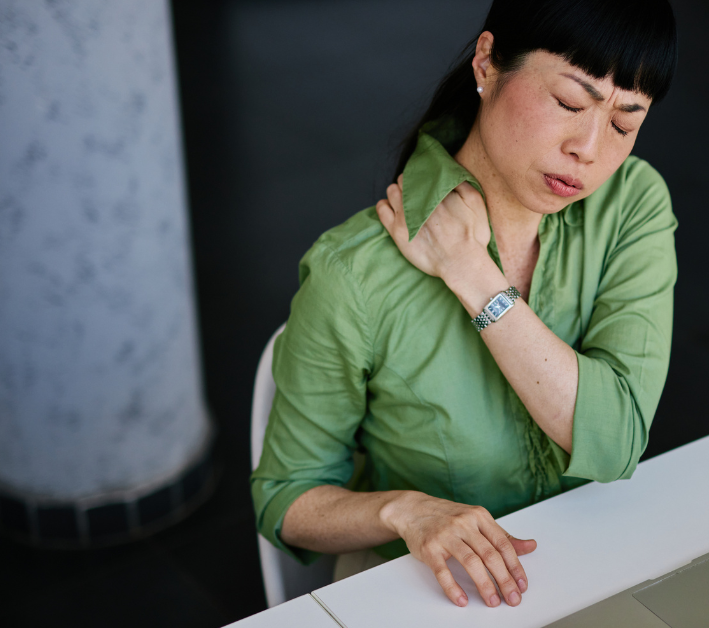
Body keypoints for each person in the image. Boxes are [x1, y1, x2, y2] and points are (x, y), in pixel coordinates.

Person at [252, 0, 678, 609]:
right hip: (433, 592)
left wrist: (474, 277)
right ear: (487, 63)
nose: (588, 148)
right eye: (569, 102)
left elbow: (614, 444)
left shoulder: (632, 203)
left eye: (624, 122)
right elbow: (286, 499)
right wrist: (407, 511)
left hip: (593, 565)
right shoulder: (353, 272)